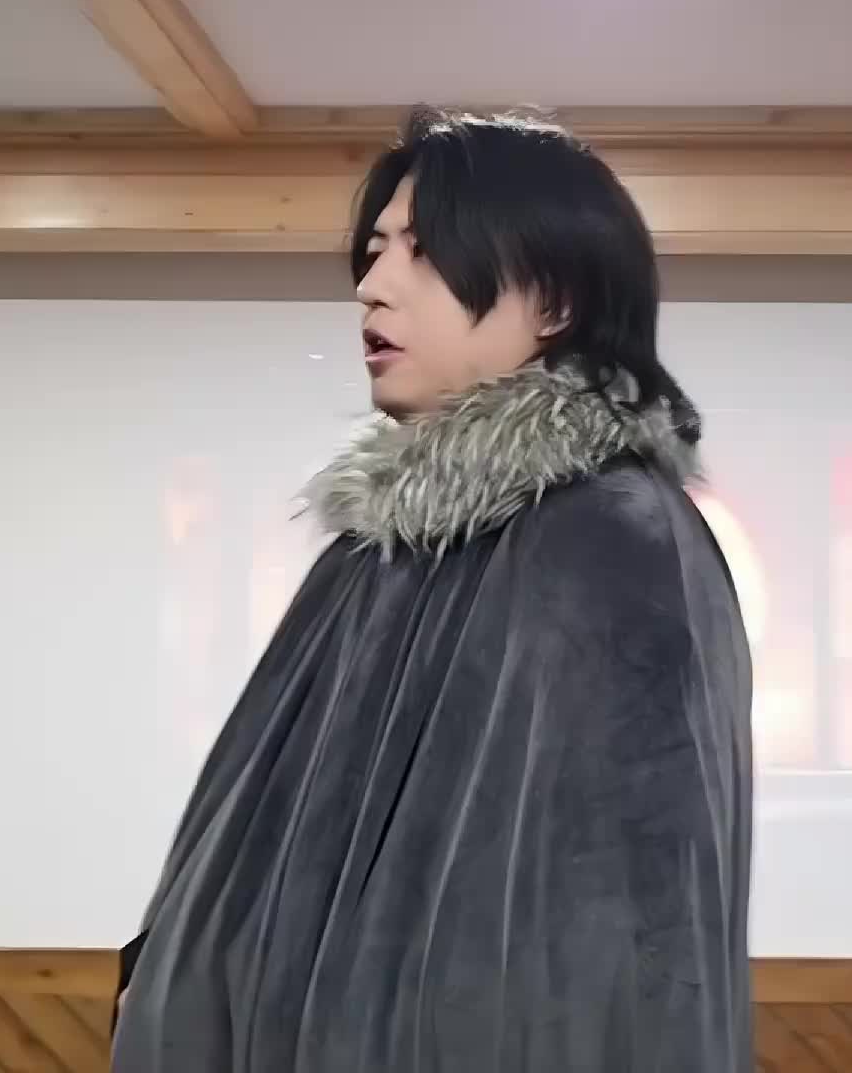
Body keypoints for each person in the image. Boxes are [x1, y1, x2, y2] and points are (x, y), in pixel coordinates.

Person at [109, 105, 755, 1072]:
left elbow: (621, 942)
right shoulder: (375, 550)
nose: (371, 286)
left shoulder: (611, 538)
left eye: (422, 250)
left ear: (554, 299)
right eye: (373, 253)